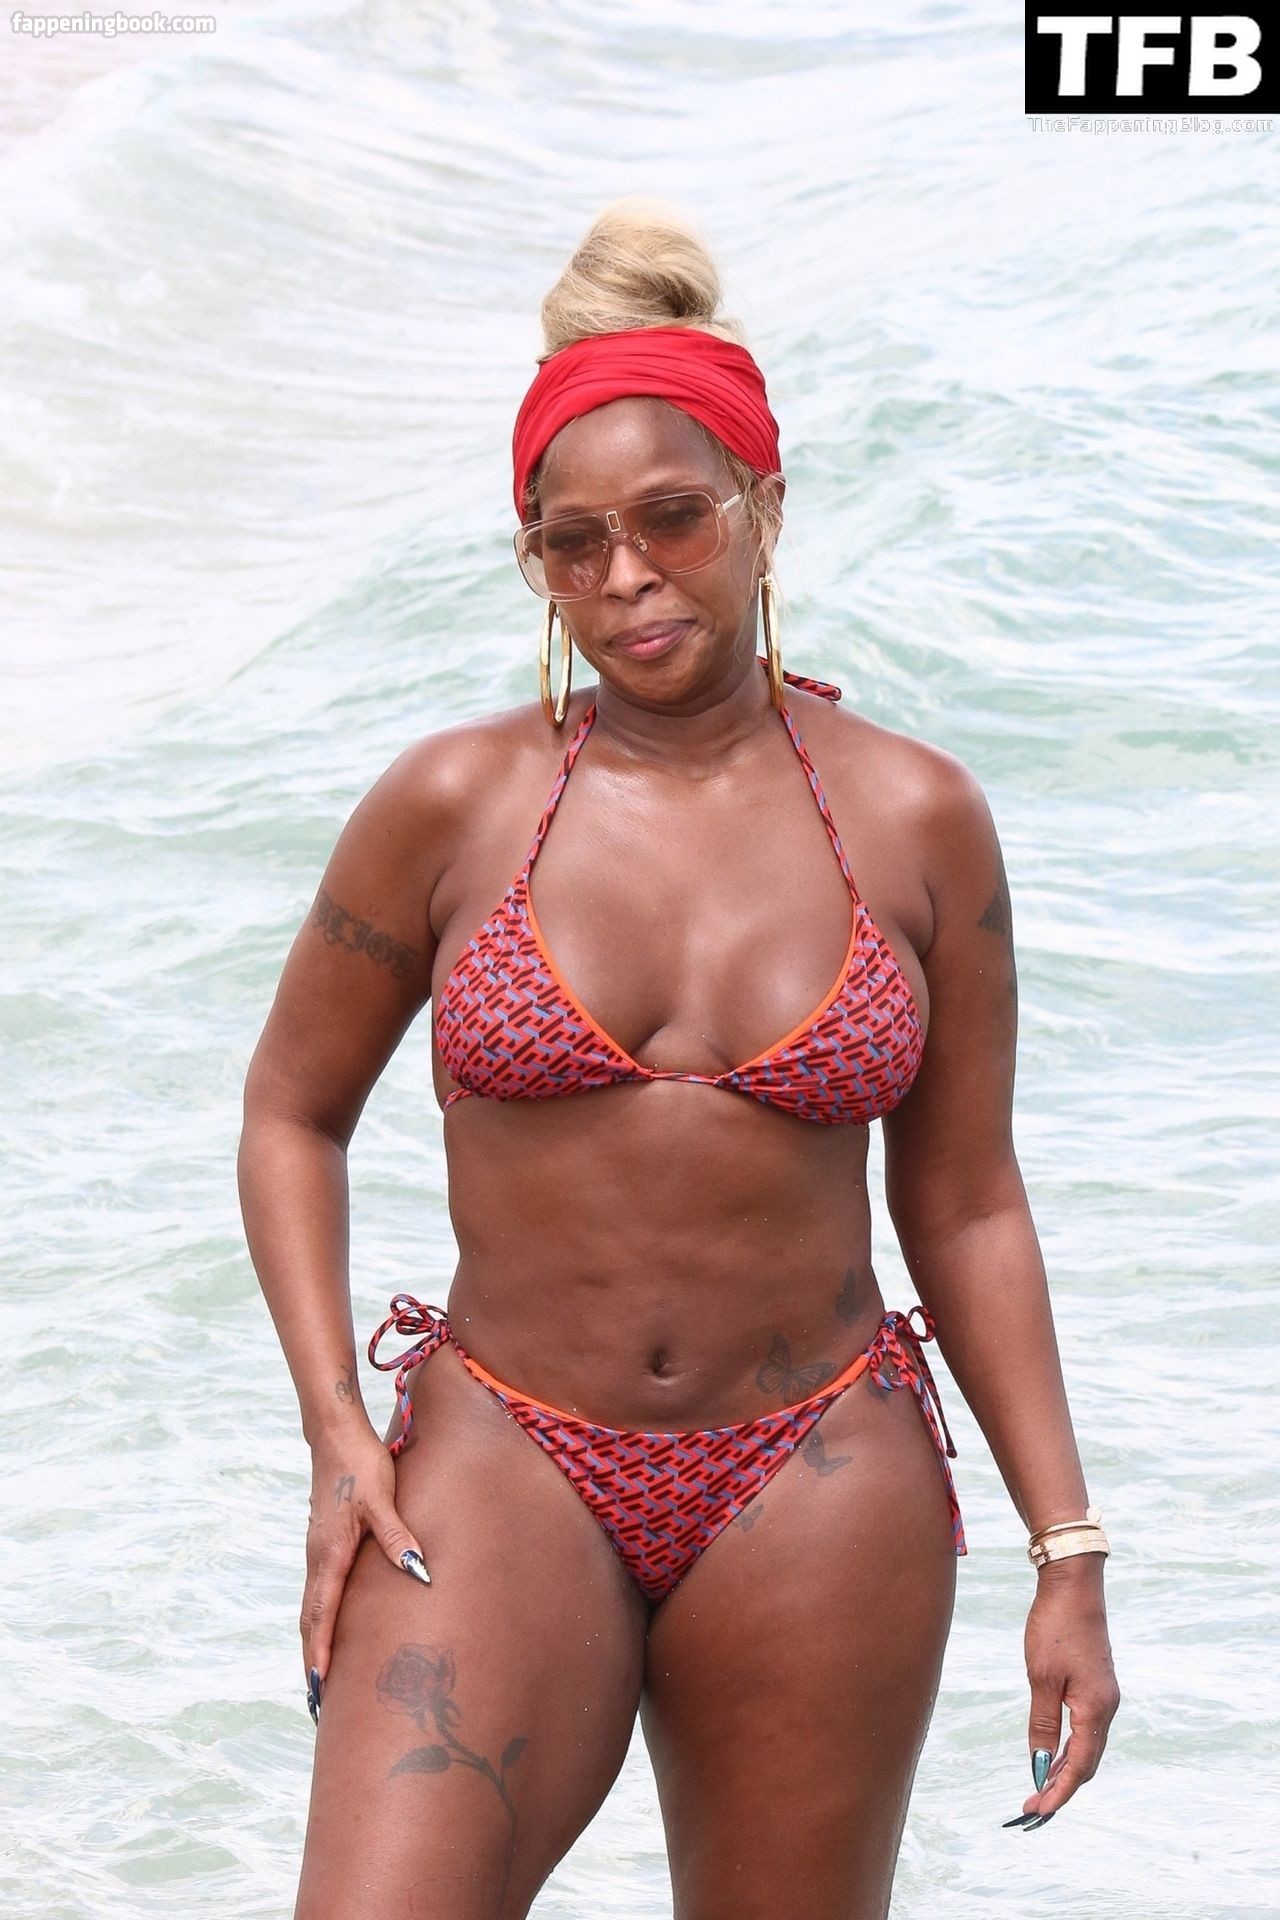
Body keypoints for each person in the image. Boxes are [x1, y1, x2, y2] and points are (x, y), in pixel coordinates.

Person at [238, 198, 1120, 1920]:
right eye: (571, 544)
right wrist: (338, 1426)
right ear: (536, 565)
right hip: (503, 1455)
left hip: (818, 1479)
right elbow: (291, 1111)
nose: (628, 575)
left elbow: (965, 1204)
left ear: (762, 510)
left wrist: (1067, 1548)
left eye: (672, 519)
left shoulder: (915, 817)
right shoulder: (453, 805)